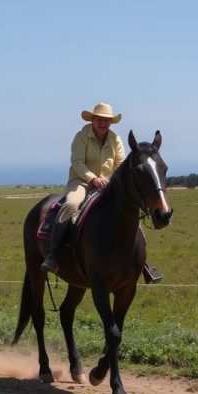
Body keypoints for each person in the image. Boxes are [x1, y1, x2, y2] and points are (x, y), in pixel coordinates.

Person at [40, 102, 162, 284]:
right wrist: (93, 179)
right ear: (92, 120)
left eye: (106, 120)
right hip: (82, 182)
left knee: (129, 211)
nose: (103, 123)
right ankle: (53, 254)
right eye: (99, 119)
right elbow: (77, 162)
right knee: (71, 204)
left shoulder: (115, 139)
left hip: (108, 184)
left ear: (111, 122)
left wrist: (109, 180)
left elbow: (120, 165)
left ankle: (142, 262)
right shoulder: (81, 137)